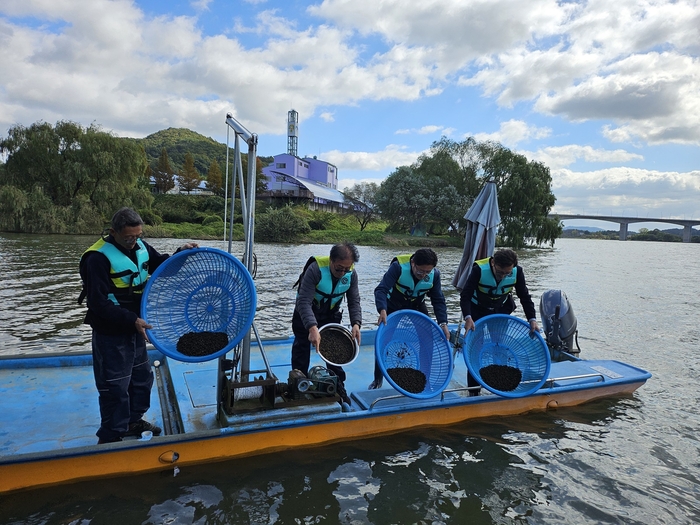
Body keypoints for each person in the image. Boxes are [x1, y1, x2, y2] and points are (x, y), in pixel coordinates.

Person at [79, 207, 198, 444]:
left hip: (137, 327)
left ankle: (133, 420)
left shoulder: (141, 247)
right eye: (128, 237)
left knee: (141, 377)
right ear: (113, 232)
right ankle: (110, 437)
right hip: (111, 332)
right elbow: (98, 303)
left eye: (137, 236)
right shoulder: (97, 259)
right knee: (115, 386)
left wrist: (180, 253)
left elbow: (160, 266)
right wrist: (131, 320)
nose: (133, 242)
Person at [459, 248, 539, 395]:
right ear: (493, 263)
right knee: (476, 348)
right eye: (500, 272)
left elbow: (525, 297)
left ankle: (500, 384)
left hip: (500, 309)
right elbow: (465, 295)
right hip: (477, 309)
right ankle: (474, 391)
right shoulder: (479, 270)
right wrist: (468, 317)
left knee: (499, 346)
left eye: (506, 273)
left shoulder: (517, 272)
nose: (502, 276)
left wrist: (532, 319)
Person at [291, 242, 362, 406]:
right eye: (339, 268)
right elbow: (303, 301)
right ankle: (298, 385)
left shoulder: (351, 274)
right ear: (331, 260)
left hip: (330, 313)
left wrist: (356, 323)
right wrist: (312, 327)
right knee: (302, 348)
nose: (342, 272)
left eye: (346, 268)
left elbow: (354, 301)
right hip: (306, 312)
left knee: (335, 351)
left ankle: (338, 386)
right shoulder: (315, 269)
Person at [371, 248, 450, 389]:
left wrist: (443, 323)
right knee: (383, 340)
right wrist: (382, 309)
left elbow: (438, 300)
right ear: (413, 263)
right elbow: (381, 290)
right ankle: (378, 379)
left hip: (417, 304)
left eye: (427, 272)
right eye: (420, 271)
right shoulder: (398, 267)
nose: (423, 275)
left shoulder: (435, 275)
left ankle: (424, 378)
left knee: (428, 338)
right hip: (393, 304)